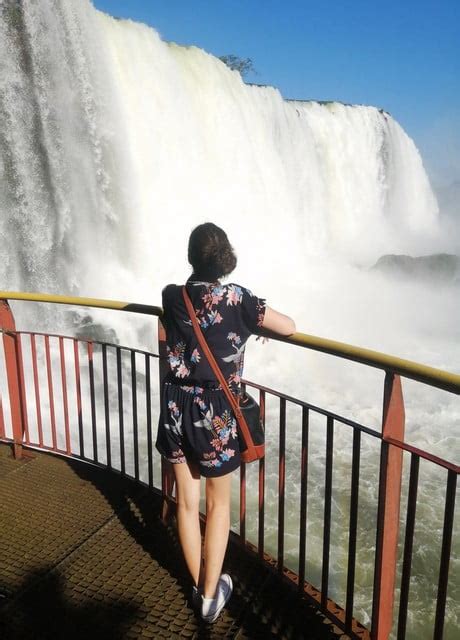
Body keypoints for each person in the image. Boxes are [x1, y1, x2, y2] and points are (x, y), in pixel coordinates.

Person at [156, 222, 296, 623]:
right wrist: (257, 327)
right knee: (217, 507)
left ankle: (200, 585)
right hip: (216, 415)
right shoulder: (239, 300)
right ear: (226, 257)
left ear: (191, 257)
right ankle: (209, 596)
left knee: (187, 502)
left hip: (176, 407)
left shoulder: (172, 296)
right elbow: (289, 326)